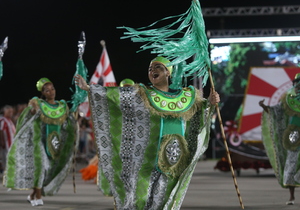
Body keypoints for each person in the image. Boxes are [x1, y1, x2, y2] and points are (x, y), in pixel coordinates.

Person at [75, 56, 220, 209]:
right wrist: (90, 88)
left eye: (158, 67)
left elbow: (199, 111)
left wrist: (210, 103)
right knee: (140, 199)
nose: (152, 71)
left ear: (168, 73)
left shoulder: (185, 97)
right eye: (150, 68)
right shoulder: (141, 95)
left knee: (164, 200)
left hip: (175, 159)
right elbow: (116, 96)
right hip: (146, 158)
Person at [3, 78, 78, 207]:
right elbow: (31, 112)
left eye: (52, 89)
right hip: (38, 142)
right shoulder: (38, 103)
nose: (51, 92)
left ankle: (33, 194)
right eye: (47, 90)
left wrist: (73, 116)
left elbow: (67, 123)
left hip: (55, 143)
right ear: (43, 93)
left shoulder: (61, 106)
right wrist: (34, 108)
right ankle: (37, 196)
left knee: (48, 170)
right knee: (40, 166)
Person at [259, 73, 300, 205]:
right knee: (291, 163)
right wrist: (265, 107)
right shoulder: (288, 99)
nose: (298, 86)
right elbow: (277, 112)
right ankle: (292, 197)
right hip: (294, 134)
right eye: (297, 83)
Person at [0, 105, 16, 173]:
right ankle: (5, 174)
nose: (11, 113)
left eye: (11, 112)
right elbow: (1, 131)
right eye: (9, 112)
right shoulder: (3, 120)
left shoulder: (9, 120)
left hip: (11, 144)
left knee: (11, 159)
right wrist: (2, 141)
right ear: (4, 112)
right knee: (6, 159)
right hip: (6, 144)